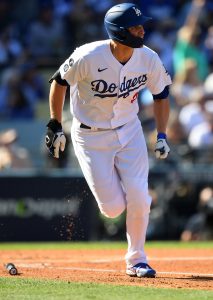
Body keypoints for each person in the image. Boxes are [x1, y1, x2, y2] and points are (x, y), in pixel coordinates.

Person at [45, 3, 171, 278]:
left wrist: (162, 134)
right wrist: (55, 123)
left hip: (130, 131)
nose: (142, 30)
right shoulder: (88, 55)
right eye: (135, 26)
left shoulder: (148, 57)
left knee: (139, 194)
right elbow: (59, 81)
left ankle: (137, 259)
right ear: (118, 32)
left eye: (141, 24)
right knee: (113, 209)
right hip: (90, 136)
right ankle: (121, 198)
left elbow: (161, 94)